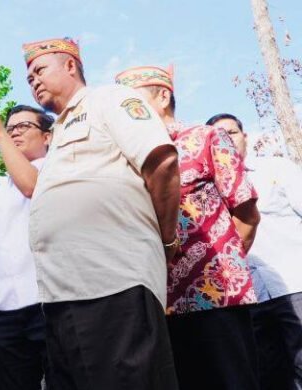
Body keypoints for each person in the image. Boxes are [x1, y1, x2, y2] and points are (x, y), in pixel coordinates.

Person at [25, 38, 181, 389]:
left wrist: (166, 239)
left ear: (70, 66)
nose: (32, 80)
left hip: (115, 285)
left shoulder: (107, 98)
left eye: (39, 70)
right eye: (28, 77)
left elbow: (162, 161)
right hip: (62, 296)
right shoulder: (60, 130)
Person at [116, 66, 261, 390]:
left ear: (163, 96)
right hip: (156, 304)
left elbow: (247, 212)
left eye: (133, 103)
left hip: (216, 299)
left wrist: (216, 264)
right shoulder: (123, 159)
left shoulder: (205, 138)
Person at [207, 113, 302, 390]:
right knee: (267, 375)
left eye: (232, 133)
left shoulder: (276, 169)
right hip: (248, 300)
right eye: (219, 137)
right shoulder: (209, 191)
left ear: (245, 137)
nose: (227, 141)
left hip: (294, 284)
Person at [0, 103, 53, 389]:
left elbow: (31, 186)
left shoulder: (57, 170)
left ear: (47, 136)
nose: (14, 132)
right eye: (10, 128)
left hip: (49, 300)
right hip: (3, 310)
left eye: (23, 126)